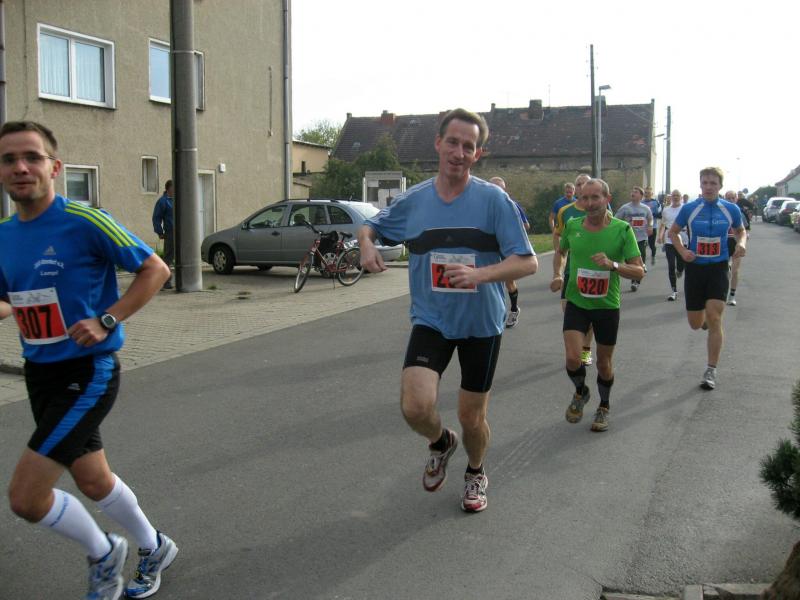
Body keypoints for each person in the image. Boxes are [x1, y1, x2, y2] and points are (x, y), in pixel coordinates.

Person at [0, 121, 178, 599]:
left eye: (32, 157)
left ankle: (103, 554)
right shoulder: (3, 235)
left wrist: (107, 319)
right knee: (93, 480)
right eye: (9, 159)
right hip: (39, 372)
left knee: (25, 497)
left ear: (54, 167)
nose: (20, 167)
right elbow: (10, 299)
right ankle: (155, 546)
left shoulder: (84, 220)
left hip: (87, 371)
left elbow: (155, 269)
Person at [357, 108, 537, 513]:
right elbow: (372, 225)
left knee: (472, 417)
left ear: (478, 154)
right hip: (432, 319)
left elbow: (528, 262)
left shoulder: (494, 201)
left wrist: (479, 274)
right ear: (438, 144)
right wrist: (366, 244)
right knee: (415, 406)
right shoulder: (415, 201)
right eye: (452, 142)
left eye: (468, 146)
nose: (459, 152)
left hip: (481, 324)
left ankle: (475, 471)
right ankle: (441, 442)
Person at [553, 178, 644, 432]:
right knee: (573, 358)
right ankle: (581, 391)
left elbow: (639, 271)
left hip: (606, 306)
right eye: (584, 198)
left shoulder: (622, 229)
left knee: (604, 363)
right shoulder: (573, 226)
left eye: (595, 197)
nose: (590, 203)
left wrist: (613, 265)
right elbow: (561, 252)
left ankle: (604, 405)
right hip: (577, 302)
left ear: (607, 199)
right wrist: (558, 274)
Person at [669, 167, 746, 390]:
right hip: (695, 268)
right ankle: (701, 319)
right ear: (700, 185)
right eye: (705, 183)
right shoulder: (690, 209)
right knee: (695, 324)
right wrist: (683, 251)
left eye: (713, 183)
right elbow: (673, 233)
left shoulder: (730, 208)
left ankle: (711, 370)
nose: (709, 187)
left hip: (719, 268)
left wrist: (741, 244)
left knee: (715, 317)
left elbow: (741, 231)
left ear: (720, 186)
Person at [552, 173, 596, 365]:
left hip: (593, 272)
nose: (582, 187)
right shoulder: (565, 211)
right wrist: (558, 270)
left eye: (586, 183)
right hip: (571, 272)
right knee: (570, 313)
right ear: (576, 188)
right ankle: (575, 348)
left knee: (589, 317)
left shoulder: (601, 208)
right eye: (579, 184)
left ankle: (585, 350)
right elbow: (558, 236)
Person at [489, 176, 531, 328]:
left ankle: (513, 310)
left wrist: (509, 231)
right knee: (487, 281)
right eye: (493, 188)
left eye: (499, 189)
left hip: (505, 248)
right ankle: (493, 312)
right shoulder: (482, 205)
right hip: (488, 248)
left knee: (508, 281)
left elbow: (526, 225)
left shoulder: (512, 205)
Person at [614, 186, 653, 291]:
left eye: (636, 192)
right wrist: (625, 224)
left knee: (641, 257)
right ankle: (639, 269)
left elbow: (650, 218)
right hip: (629, 237)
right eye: (632, 191)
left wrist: (650, 226)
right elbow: (616, 219)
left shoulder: (646, 208)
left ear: (641, 195)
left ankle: (635, 282)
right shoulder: (625, 208)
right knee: (628, 260)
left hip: (642, 237)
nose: (633, 193)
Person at [657, 189, 686, 301]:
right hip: (669, 239)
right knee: (671, 265)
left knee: (681, 263)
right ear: (671, 197)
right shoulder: (666, 210)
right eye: (674, 195)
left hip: (683, 238)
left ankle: (680, 270)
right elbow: (663, 225)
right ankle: (674, 291)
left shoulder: (685, 208)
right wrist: (660, 236)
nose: (675, 197)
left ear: (681, 197)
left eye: (678, 195)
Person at [726, 190, 751, 306]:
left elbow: (747, 229)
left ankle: (732, 296)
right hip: (724, 242)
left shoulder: (740, 213)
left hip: (736, 243)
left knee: (735, 271)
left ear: (736, 199)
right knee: (724, 271)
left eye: (733, 198)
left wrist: (744, 240)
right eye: (728, 198)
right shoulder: (721, 212)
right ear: (725, 199)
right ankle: (721, 294)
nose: (731, 200)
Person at [152, 180, 174, 290]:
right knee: (168, 257)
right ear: (169, 188)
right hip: (170, 233)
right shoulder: (163, 202)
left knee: (181, 256)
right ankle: (164, 281)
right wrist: (160, 232)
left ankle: (182, 280)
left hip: (182, 233)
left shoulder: (178, 200)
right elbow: (156, 218)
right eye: (174, 187)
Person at [642, 186, 661, 266]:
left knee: (651, 245)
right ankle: (642, 263)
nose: (646, 194)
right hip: (642, 228)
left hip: (653, 227)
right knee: (642, 245)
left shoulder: (656, 203)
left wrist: (650, 214)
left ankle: (653, 256)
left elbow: (660, 215)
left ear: (652, 194)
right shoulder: (641, 202)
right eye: (645, 193)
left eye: (648, 193)